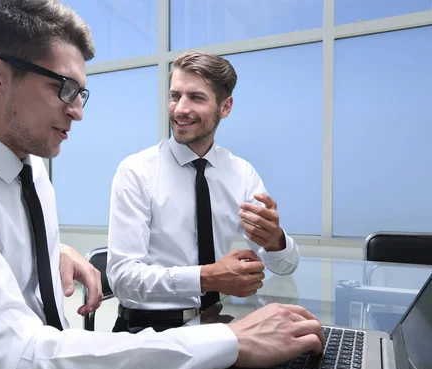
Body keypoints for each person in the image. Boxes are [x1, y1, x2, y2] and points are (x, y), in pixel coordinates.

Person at [0, 1, 324, 369]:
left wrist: (50, 253)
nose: (78, 111)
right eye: (64, 89)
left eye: (81, 93)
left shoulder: (30, 174)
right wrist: (232, 343)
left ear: (224, 108)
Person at [108, 50, 300, 333]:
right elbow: (123, 278)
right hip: (148, 330)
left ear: (225, 106)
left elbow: (285, 267)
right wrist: (206, 278)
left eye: (196, 97)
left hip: (216, 323)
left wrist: (275, 241)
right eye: (175, 96)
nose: (180, 109)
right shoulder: (136, 171)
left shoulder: (241, 173)